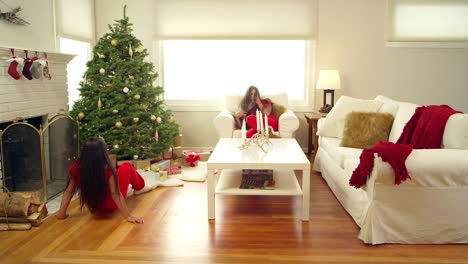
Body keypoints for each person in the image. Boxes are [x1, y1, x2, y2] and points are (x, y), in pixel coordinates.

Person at [56, 137, 147, 224]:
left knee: (118, 171)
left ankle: (136, 185)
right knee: (127, 166)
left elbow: (69, 191)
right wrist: (128, 216)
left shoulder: (75, 168)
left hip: (94, 207)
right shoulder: (107, 169)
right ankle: (140, 186)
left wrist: (61, 213)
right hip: (111, 205)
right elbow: (115, 194)